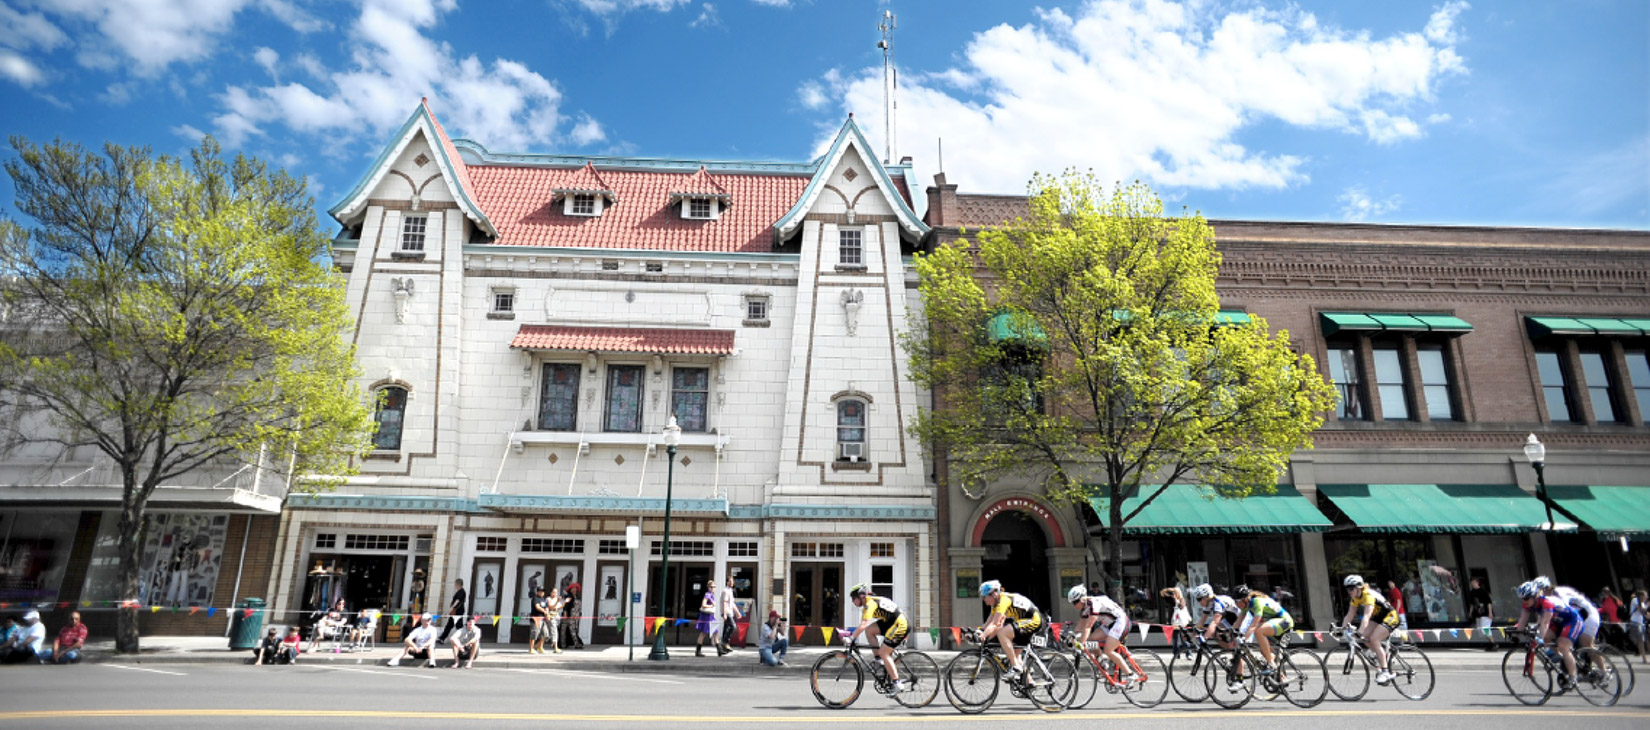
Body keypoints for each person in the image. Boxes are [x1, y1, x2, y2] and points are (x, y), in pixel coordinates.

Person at [1517, 580, 1581, 689]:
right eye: (1523, 599)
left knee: (1562, 645)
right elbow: (1522, 620)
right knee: (1547, 638)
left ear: (1534, 596)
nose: (1525, 601)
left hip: (1571, 620)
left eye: (1526, 598)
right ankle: (1563, 659)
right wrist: (1517, 635)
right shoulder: (1529, 604)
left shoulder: (1547, 602)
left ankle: (1573, 677)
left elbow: (1545, 622)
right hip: (1557, 621)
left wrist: (1539, 638)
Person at [977, 580, 1043, 683]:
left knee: (1002, 633)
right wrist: (976, 632)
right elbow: (988, 624)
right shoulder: (995, 605)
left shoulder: (1003, 600)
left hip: (1034, 620)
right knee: (1015, 655)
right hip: (1023, 622)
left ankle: (1016, 668)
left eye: (984, 597)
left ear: (994, 594)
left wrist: (983, 636)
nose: (983, 600)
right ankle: (1030, 683)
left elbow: (995, 624)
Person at [849, 583, 910, 691]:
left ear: (861, 596)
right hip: (891, 622)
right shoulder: (866, 605)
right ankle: (879, 659)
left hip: (899, 624)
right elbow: (865, 626)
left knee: (884, 652)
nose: (852, 601)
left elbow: (863, 624)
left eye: (853, 598)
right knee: (870, 630)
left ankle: (897, 683)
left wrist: (851, 638)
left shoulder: (870, 603)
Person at [1342, 575, 1399, 685]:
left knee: (1374, 639)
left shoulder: (1368, 594)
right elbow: (1349, 616)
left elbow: (1367, 616)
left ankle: (1385, 672)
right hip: (1378, 618)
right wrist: (1342, 629)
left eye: (1351, 588)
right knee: (1365, 638)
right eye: (1347, 589)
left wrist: (1360, 631)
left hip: (1390, 616)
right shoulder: (1355, 598)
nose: (1349, 591)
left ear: (1358, 587)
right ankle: (1383, 656)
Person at [1069, 584, 1133, 683]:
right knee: (1091, 640)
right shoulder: (1084, 609)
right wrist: (1072, 637)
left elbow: (1088, 627)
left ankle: (1130, 674)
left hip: (1120, 622)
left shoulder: (1094, 604)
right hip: (1108, 625)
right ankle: (1102, 664)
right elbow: (1080, 626)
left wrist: (1080, 644)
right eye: (1072, 603)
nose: (1074, 605)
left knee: (1108, 650)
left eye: (1075, 602)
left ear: (1082, 599)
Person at [1234, 585, 1293, 683]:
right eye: (1235, 601)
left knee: (1259, 630)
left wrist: (1244, 638)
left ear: (1246, 599)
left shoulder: (1257, 602)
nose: (1236, 604)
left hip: (1284, 621)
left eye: (1238, 601)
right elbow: (1237, 623)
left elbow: (1253, 625)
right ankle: (1281, 677)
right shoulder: (1246, 606)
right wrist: (1230, 634)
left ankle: (1271, 663)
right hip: (1272, 624)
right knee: (1265, 651)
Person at [718, 574, 744, 654]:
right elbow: (724, 603)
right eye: (730, 581)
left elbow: (732, 603)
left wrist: (737, 612)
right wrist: (725, 614)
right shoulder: (725, 591)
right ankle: (725, 642)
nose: (732, 583)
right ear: (727, 582)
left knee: (726, 628)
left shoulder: (730, 591)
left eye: (732, 581)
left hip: (730, 612)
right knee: (733, 626)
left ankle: (722, 648)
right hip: (727, 612)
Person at [1467, 577, 1496, 650]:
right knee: (1481, 630)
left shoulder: (1483, 591)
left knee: (1485, 628)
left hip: (1485, 613)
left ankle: (1493, 643)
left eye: (1473, 582)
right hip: (1478, 614)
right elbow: (1472, 604)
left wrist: (1490, 613)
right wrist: (1470, 612)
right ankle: (1490, 643)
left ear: (1477, 582)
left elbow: (1489, 602)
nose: (1472, 584)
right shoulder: (1472, 593)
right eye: (1471, 582)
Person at [695, 579, 720, 657]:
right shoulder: (708, 594)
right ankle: (698, 651)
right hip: (706, 616)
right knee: (703, 633)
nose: (713, 588)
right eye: (711, 587)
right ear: (708, 587)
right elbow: (703, 604)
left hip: (710, 616)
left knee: (715, 631)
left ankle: (719, 650)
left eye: (714, 587)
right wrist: (711, 606)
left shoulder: (711, 595)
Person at [439, 579, 467, 644]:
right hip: (456, 611)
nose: (455, 586)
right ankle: (442, 638)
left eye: (455, 584)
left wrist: (451, 608)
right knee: (450, 625)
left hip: (457, 611)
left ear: (458, 584)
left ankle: (465, 637)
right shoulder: (459, 591)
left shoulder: (461, 591)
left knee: (459, 625)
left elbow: (457, 601)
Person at [528, 587, 552, 655]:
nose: (542, 593)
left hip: (543, 619)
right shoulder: (535, 598)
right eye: (540, 591)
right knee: (534, 633)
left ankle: (539, 647)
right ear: (537, 592)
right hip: (536, 619)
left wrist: (547, 614)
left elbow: (546, 607)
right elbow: (537, 607)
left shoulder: (544, 599)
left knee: (545, 634)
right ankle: (531, 649)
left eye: (543, 591)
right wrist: (544, 611)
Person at [1629, 589, 1648, 664]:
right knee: (1640, 641)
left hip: (1640, 623)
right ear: (1641, 596)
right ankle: (1644, 659)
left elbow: (1645, 613)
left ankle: (1644, 657)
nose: (1646, 598)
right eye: (1645, 596)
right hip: (1635, 622)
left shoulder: (1642, 603)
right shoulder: (1635, 600)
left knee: (1644, 640)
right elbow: (1641, 610)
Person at [545, 587, 565, 654]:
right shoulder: (548, 599)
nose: (555, 594)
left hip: (556, 617)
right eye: (553, 592)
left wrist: (565, 602)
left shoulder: (556, 599)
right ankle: (555, 647)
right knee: (554, 632)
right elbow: (550, 606)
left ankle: (538, 645)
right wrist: (557, 602)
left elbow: (559, 607)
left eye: (556, 592)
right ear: (550, 592)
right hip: (551, 617)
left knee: (548, 634)